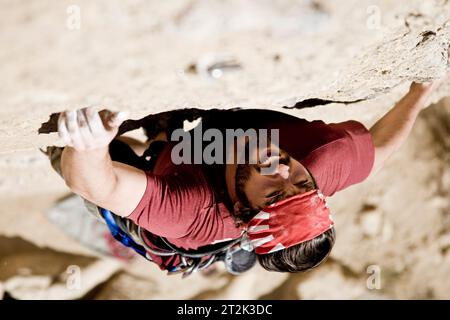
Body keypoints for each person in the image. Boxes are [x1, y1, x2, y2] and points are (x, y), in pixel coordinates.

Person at [52, 68, 448, 275]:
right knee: (175, 141)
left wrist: (89, 144)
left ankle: (160, 137)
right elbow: (381, 150)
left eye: (273, 194)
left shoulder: (190, 212)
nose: (282, 170)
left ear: (241, 211)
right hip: (200, 151)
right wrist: (420, 92)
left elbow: (96, 183)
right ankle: (166, 133)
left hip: (177, 180)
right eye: (300, 182)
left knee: (90, 150)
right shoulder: (325, 158)